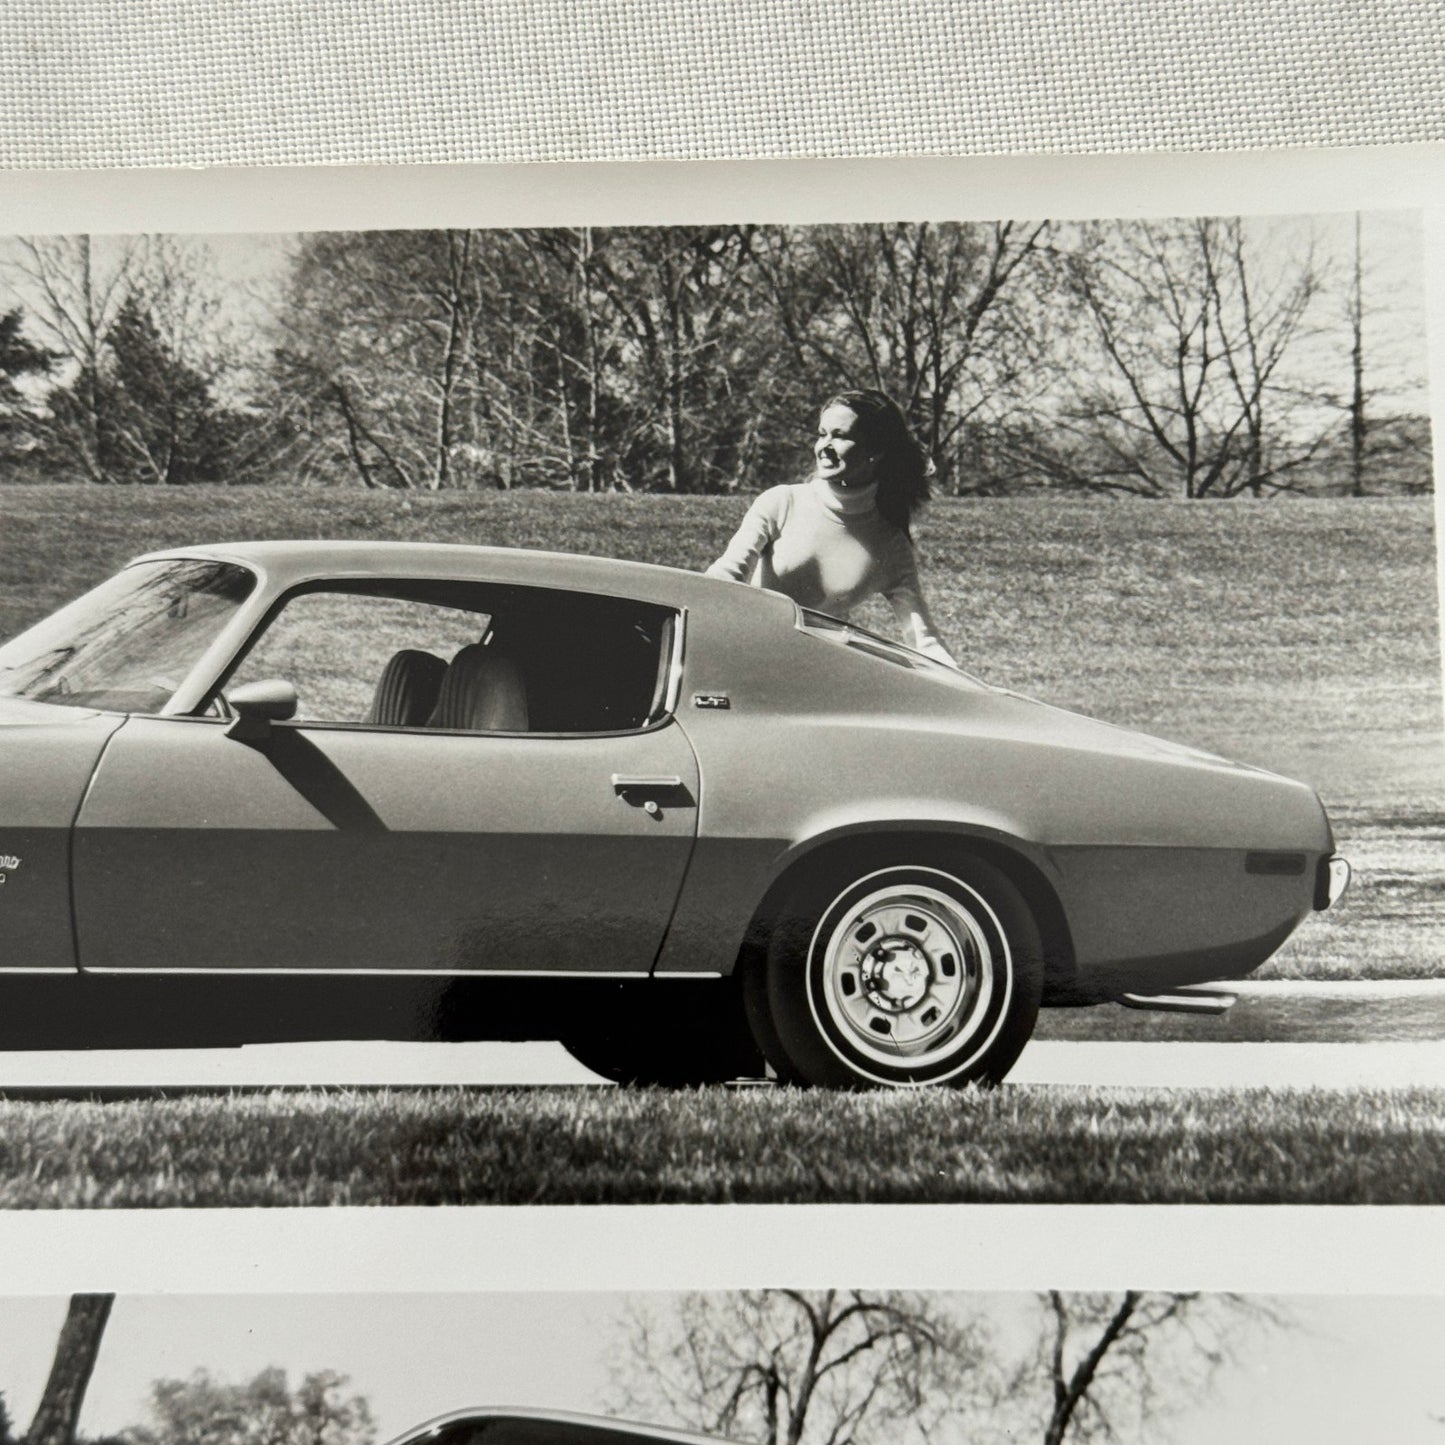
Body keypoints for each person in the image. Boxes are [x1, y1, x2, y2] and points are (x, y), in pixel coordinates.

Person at [706, 389, 958, 665]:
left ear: (876, 450)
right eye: (821, 433)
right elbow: (727, 575)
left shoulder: (890, 543)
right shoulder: (781, 502)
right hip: (751, 655)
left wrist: (973, 695)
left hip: (823, 671)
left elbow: (924, 639)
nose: (824, 445)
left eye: (839, 436)